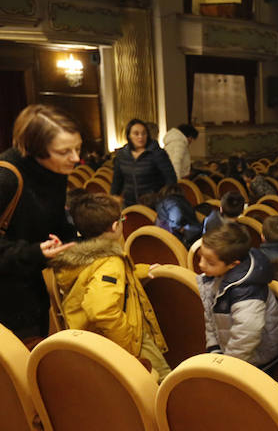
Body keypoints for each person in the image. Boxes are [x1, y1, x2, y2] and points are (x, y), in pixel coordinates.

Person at [49, 193, 170, 379]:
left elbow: (95, 279)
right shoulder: (110, 262)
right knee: (161, 383)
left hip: (91, 341)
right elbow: (101, 309)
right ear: (116, 226)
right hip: (125, 340)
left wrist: (143, 271)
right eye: (122, 219)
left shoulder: (83, 258)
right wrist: (130, 343)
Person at [0, 105, 80, 339]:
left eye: (77, 147)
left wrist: (65, 240)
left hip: (30, 295)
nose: (75, 158)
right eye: (64, 151)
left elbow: (51, 222)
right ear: (35, 149)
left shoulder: (54, 172)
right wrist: (34, 252)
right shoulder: (6, 178)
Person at [196, 223, 278, 370]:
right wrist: (214, 347)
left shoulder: (248, 292)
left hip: (257, 356)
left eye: (210, 262)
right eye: (200, 257)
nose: (201, 265)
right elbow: (210, 314)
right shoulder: (216, 275)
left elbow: (246, 336)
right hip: (230, 349)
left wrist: (226, 368)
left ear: (233, 264)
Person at [110, 118, 177, 207]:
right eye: (136, 134)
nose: (140, 137)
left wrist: (163, 199)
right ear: (129, 135)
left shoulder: (157, 153)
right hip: (129, 203)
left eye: (143, 133)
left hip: (154, 203)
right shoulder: (122, 155)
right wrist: (113, 197)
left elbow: (171, 179)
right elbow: (117, 180)